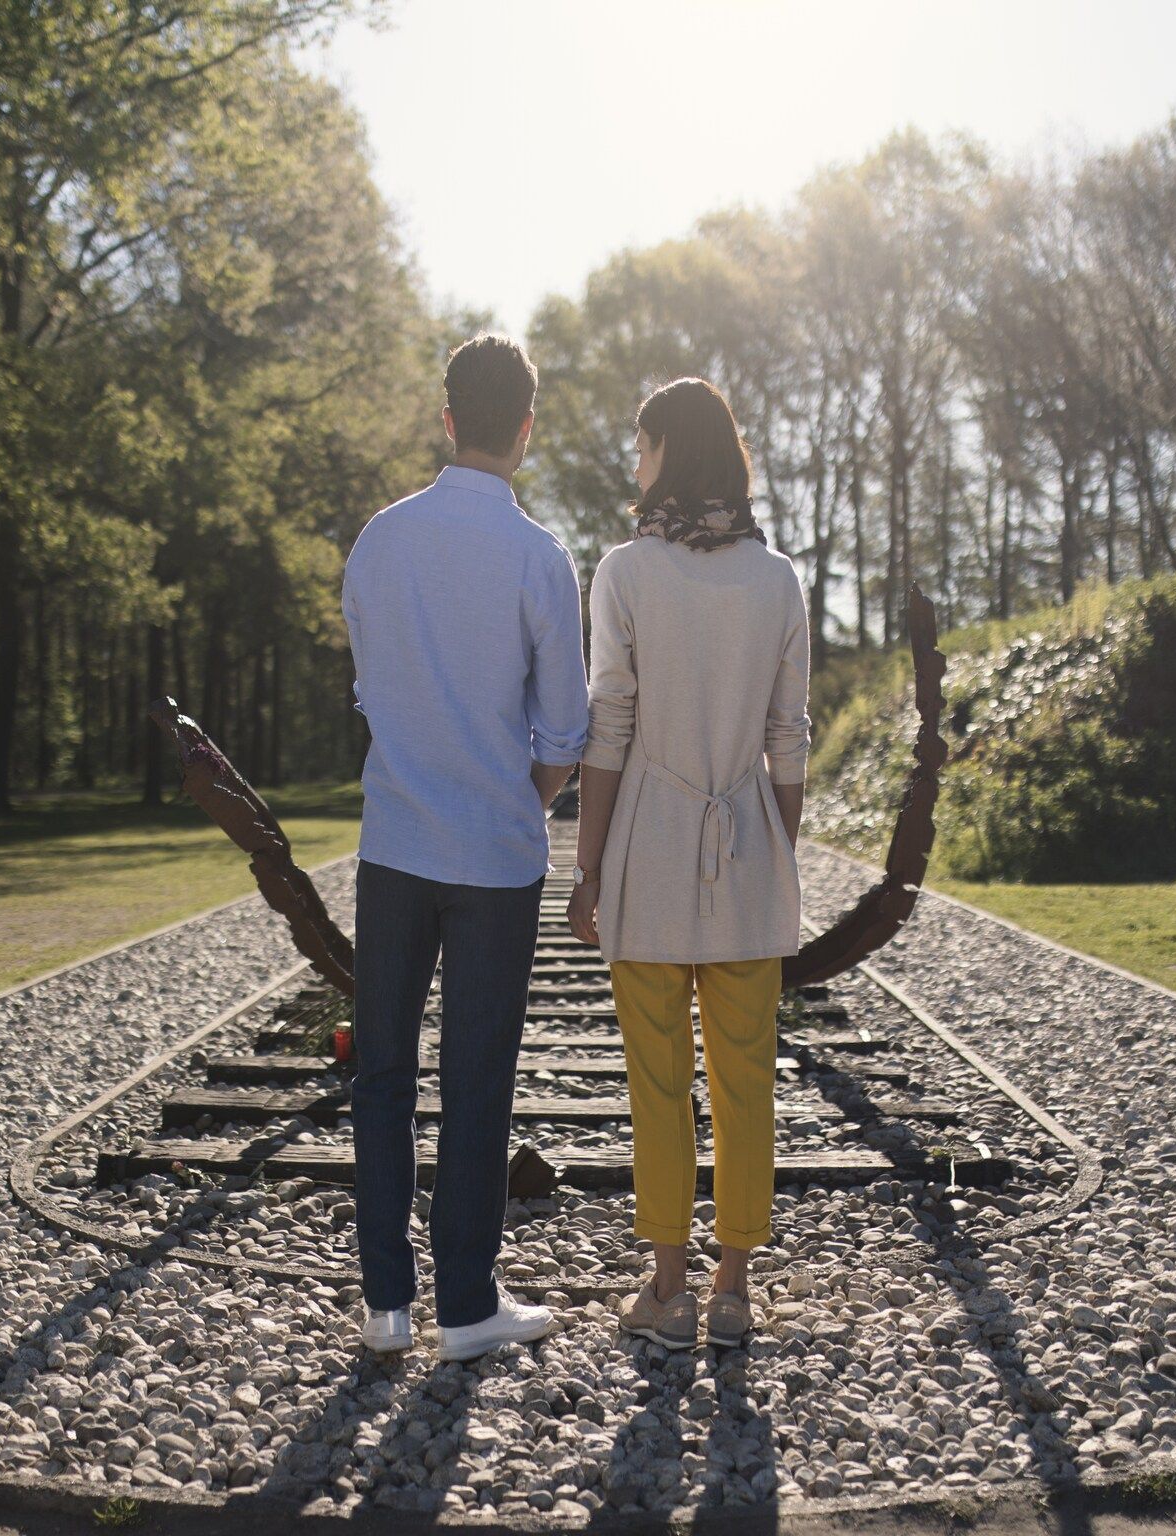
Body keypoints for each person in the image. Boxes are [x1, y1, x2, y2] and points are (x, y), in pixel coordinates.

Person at [341, 334, 589, 1361]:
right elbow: (565, 733)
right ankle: (467, 1306)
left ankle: (385, 1306)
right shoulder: (540, 558)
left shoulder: (379, 540)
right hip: (494, 858)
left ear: (447, 420)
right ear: (525, 429)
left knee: (383, 1075)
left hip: (395, 844)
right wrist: (516, 801)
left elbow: (369, 689)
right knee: (476, 1080)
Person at [566, 377, 810, 1351]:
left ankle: (666, 1289)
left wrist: (587, 871)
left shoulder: (624, 572)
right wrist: (776, 853)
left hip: (649, 857)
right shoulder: (778, 579)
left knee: (657, 1085)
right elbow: (786, 739)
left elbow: (609, 730)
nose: (635, 464)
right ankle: (734, 1289)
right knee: (747, 1083)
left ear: (668, 448)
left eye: (641, 445)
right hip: (747, 850)